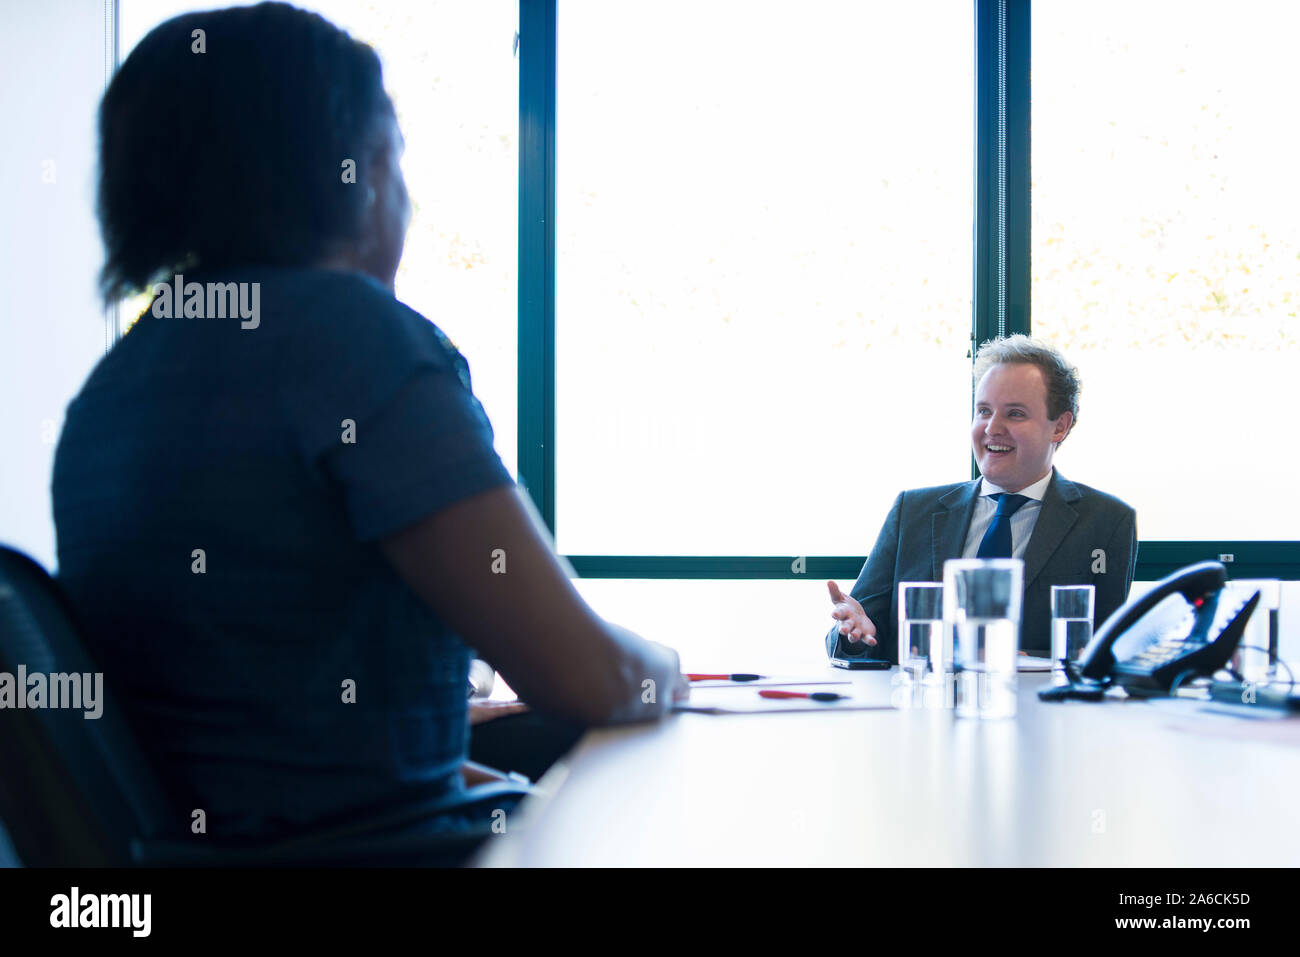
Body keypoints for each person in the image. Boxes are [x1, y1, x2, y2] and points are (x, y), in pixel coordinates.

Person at [52, 2, 684, 859]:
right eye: (396, 160)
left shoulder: (110, 394)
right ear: (354, 174)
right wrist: (665, 667)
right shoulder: (350, 339)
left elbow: (249, 742)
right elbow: (588, 676)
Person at [824, 335, 1137, 662]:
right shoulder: (913, 510)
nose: (992, 428)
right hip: (923, 703)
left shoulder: (1106, 521)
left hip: (1035, 708)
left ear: (1059, 426)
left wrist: (1022, 659)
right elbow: (859, 632)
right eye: (984, 410)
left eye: (1015, 414)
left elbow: (1101, 650)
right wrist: (855, 635)